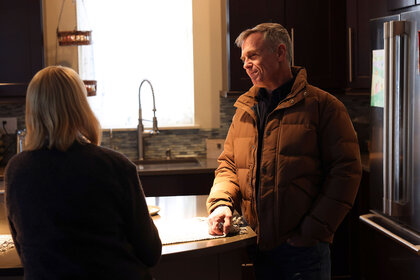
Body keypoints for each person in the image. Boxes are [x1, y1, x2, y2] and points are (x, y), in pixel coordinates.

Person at [207, 23, 362, 279]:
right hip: (255, 247)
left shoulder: (324, 106)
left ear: (280, 53)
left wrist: (312, 231)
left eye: (253, 55)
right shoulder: (244, 110)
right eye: (244, 58)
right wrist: (221, 204)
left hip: (303, 251)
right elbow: (229, 166)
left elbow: (346, 172)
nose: (246, 64)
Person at [5, 66, 162, 279]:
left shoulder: (15, 171)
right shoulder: (116, 166)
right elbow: (150, 252)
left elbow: (25, 250)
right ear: (81, 107)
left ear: (32, 110)